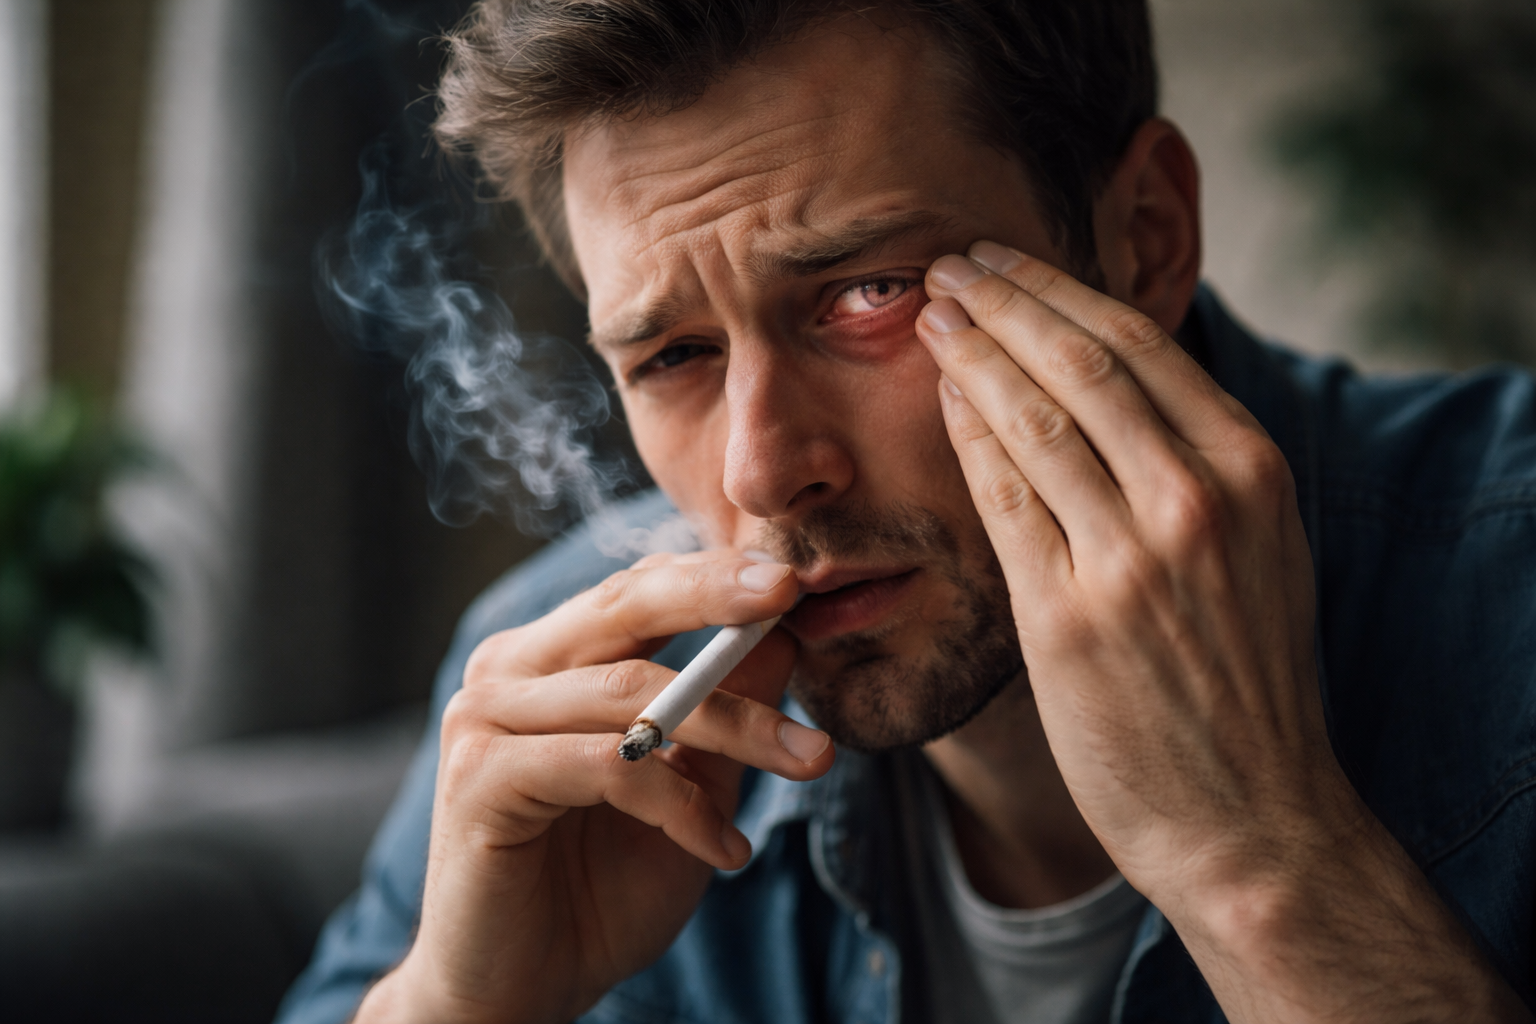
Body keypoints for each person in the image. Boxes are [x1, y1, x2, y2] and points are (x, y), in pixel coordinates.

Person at [277, 2, 1536, 1022]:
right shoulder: (566, 691)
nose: (762, 473)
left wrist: (1267, 871)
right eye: (671, 357)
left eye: (867, 292)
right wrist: (459, 1005)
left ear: (1143, 238)